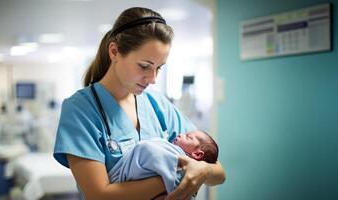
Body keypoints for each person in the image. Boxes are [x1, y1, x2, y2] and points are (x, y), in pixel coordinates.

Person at [53, 7, 225, 200]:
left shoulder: (156, 104)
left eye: (158, 68)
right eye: (144, 66)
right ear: (114, 51)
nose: (152, 79)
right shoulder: (80, 110)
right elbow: (99, 195)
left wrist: (201, 170)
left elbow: (218, 172)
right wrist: (178, 176)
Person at [108, 130, 219, 195]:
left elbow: (149, 151)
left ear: (197, 154)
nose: (181, 134)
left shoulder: (181, 160)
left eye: (188, 137)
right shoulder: (170, 148)